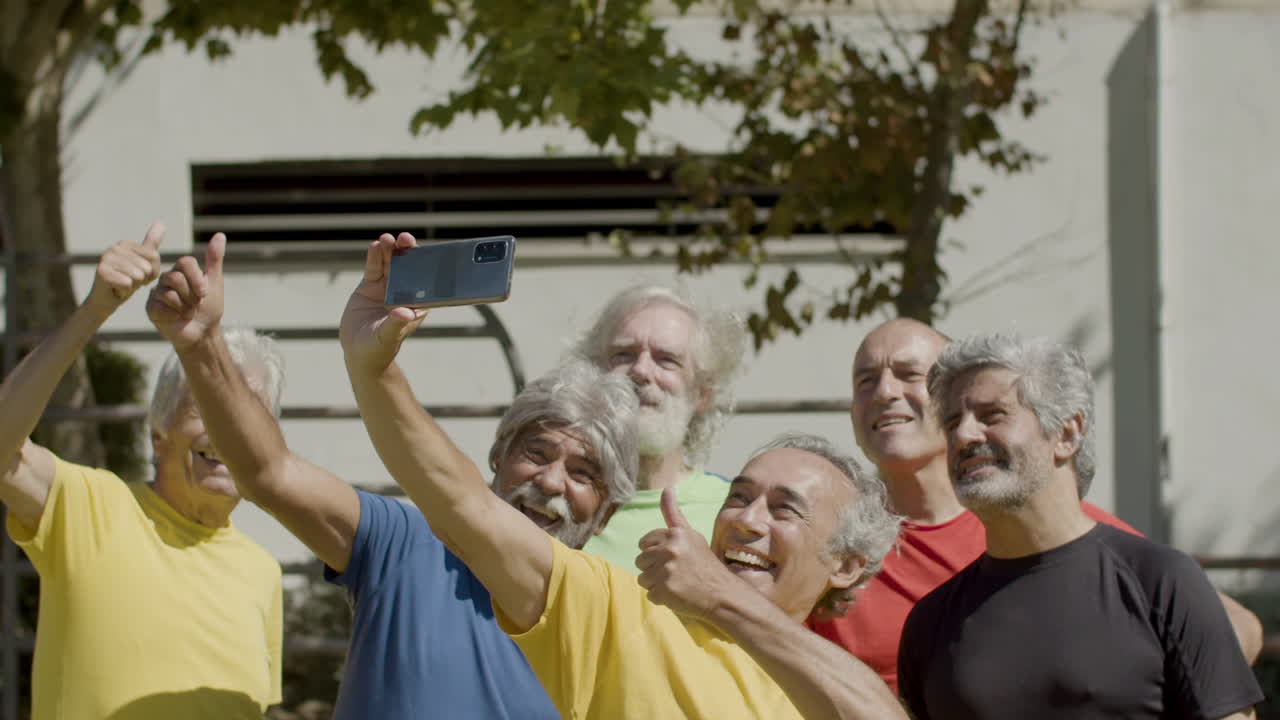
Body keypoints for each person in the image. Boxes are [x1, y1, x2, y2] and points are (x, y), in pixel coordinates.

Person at [340, 231, 909, 720]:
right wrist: (373, 369)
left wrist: (723, 601)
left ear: (846, 564)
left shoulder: (825, 683)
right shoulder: (619, 611)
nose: (746, 520)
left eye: (784, 508)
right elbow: (465, 504)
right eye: (738, 497)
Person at [145, 232, 639, 718]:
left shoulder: (611, 623)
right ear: (498, 457)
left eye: (583, 474)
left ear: (606, 513)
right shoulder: (404, 542)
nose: (550, 482)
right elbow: (269, 472)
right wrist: (203, 347)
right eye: (536, 453)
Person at [808, 318, 1264, 692]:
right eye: (865, 380)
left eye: (910, 375)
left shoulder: (1044, 525)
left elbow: (1239, 631)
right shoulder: (828, 540)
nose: (885, 391)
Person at [0, 224, 283, 719]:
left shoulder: (264, 572)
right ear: (158, 434)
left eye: (246, 417)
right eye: (207, 411)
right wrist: (95, 310)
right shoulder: (89, 507)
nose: (226, 434)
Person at [573, 285, 745, 570]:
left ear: (703, 392)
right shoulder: (554, 499)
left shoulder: (735, 514)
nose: (641, 371)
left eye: (667, 360)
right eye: (623, 354)